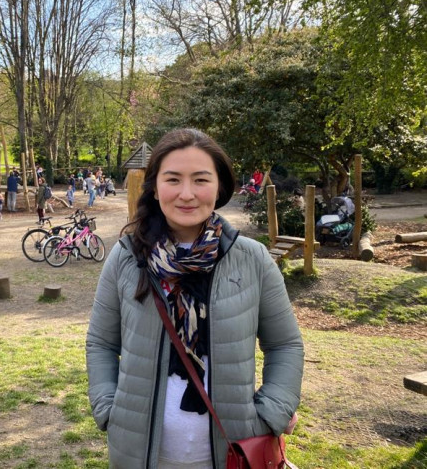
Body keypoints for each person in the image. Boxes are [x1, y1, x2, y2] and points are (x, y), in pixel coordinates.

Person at [86, 128, 303, 469]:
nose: (186, 194)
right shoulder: (127, 256)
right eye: (173, 179)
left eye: (201, 180)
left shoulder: (252, 259)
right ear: (155, 187)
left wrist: (274, 410)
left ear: (219, 187)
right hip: (138, 454)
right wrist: (108, 409)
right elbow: (101, 342)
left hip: (235, 450)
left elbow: (285, 344)